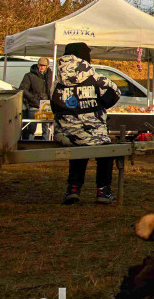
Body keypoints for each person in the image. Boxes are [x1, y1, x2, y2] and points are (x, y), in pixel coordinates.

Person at [50, 43, 121, 205]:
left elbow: (54, 107)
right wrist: (99, 106)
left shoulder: (56, 81)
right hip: (94, 133)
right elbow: (115, 93)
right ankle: (103, 190)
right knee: (105, 150)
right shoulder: (95, 78)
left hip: (65, 134)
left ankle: (73, 189)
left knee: (78, 146)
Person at [18, 57, 52, 141]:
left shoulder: (50, 76)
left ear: (47, 66)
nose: (42, 67)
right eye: (40, 65)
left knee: (46, 130)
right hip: (34, 104)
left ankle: (46, 146)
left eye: (44, 65)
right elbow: (22, 89)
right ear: (37, 65)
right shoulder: (29, 76)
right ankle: (30, 145)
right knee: (31, 130)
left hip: (46, 104)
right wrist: (34, 100)